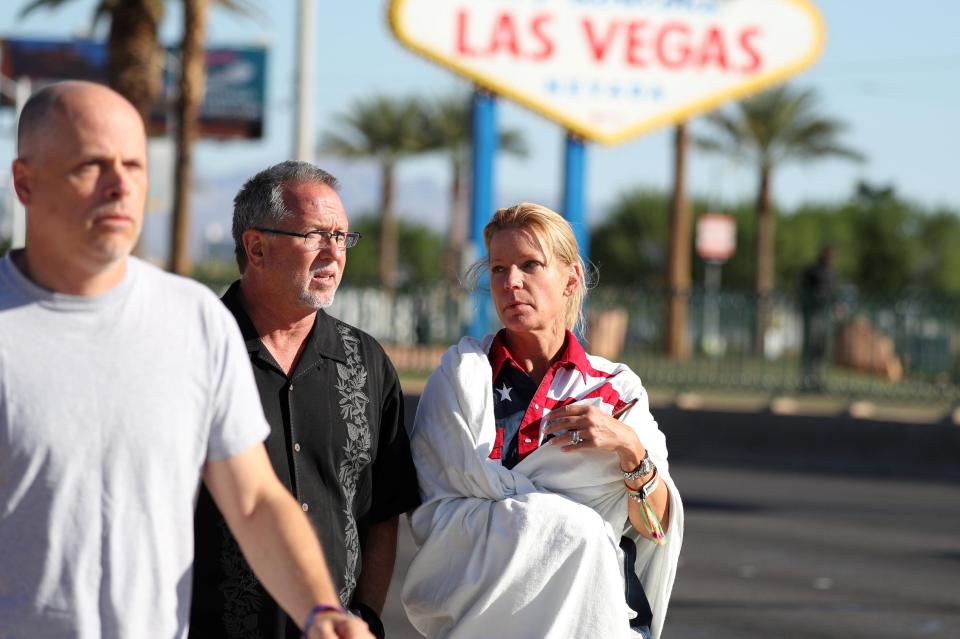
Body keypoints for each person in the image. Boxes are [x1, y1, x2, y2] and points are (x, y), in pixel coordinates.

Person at [0, 81, 370, 639]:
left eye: (133, 164)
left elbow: (252, 500)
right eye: (91, 166)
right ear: (24, 182)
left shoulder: (193, 320)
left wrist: (322, 611)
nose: (120, 186)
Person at [401, 203, 684, 638]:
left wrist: (629, 447)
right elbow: (436, 516)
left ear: (571, 279)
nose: (511, 282)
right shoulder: (459, 378)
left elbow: (655, 529)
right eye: (498, 269)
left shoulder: (615, 390)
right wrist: (561, 524)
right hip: (485, 620)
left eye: (530, 265)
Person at [190, 161, 420, 639]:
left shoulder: (367, 363)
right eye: (316, 235)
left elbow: (382, 514)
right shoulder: (194, 350)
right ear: (256, 247)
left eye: (342, 238)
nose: (334, 254)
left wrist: (369, 620)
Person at [800, 246, 837, 391]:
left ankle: (819, 380)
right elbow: (803, 289)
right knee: (811, 347)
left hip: (825, 314)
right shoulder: (813, 271)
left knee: (821, 349)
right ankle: (807, 379)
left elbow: (833, 292)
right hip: (813, 314)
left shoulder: (832, 273)